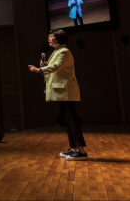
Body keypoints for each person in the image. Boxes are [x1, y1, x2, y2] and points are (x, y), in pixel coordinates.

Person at [28, 29, 87, 161]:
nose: (49, 38)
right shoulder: (57, 51)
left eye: (51, 36)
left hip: (66, 91)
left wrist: (40, 69)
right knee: (66, 120)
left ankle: (81, 151)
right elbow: (55, 66)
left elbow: (57, 67)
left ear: (59, 38)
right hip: (61, 91)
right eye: (48, 36)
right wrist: (46, 65)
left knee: (72, 120)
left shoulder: (64, 52)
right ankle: (73, 148)